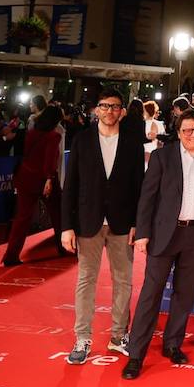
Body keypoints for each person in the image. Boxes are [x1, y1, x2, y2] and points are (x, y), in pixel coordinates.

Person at [123, 110, 194, 378]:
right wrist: (142, 233)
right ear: (178, 133)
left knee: (185, 294)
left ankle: (172, 344)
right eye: (188, 130)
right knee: (151, 294)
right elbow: (147, 197)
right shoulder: (162, 157)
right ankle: (136, 355)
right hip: (163, 234)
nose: (193, 135)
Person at [61, 88, 145, 364]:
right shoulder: (82, 140)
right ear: (96, 110)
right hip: (88, 222)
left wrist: (138, 224)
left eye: (115, 106)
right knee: (86, 280)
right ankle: (82, 338)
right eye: (105, 106)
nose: (110, 111)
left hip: (123, 223)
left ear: (122, 111)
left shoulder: (133, 143)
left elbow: (138, 188)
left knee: (123, 281)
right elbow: (70, 185)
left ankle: (119, 335)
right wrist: (66, 226)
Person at [3, 105, 65, 265]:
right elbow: (49, 161)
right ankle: (63, 246)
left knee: (22, 218)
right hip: (44, 180)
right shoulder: (54, 137)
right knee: (58, 214)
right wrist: (49, 179)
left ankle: (11, 255)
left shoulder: (31, 134)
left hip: (25, 177)